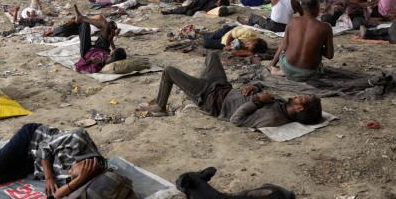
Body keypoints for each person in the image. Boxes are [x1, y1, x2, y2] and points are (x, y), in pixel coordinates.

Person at [137, 51, 323, 124]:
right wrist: (254, 86)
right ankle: (196, 84)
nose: (299, 96)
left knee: (169, 71)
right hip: (222, 87)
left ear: (299, 108)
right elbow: (260, 93)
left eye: (303, 99)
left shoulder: (274, 117)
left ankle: (160, 106)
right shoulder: (283, 105)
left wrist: (257, 101)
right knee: (212, 56)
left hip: (211, 99)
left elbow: (236, 119)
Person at [0, 122, 105, 199]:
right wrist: (49, 178)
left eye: (72, 174)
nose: (68, 171)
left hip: (35, 164)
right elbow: (45, 147)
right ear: (85, 160)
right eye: (73, 168)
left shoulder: (82, 177)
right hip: (32, 139)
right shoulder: (79, 139)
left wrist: (78, 180)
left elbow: (56, 195)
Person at [270, 0, 334, 81]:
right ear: (317, 8)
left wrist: (272, 64)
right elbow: (330, 55)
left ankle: (277, 69)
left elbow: (284, 46)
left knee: (286, 43)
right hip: (309, 73)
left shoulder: (292, 21)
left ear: (302, 7)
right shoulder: (325, 27)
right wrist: (315, 47)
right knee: (318, 65)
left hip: (288, 68)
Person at [73, 5, 126, 74]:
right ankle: (82, 18)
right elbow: (113, 50)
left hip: (87, 52)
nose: (110, 53)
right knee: (106, 25)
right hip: (101, 48)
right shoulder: (110, 57)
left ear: (113, 57)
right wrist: (110, 40)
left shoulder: (99, 64)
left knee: (85, 25)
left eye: (112, 54)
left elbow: (79, 67)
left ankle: (82, 19)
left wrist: (90, 61)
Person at [161, 0, 230, 16]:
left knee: (189, 13)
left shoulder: (215, 7)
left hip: (200, 7)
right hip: (200, 1)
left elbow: (207, 10)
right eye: (219, 2)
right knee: (187, 8)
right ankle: (170, 11)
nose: (218, 3)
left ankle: (173, 11)